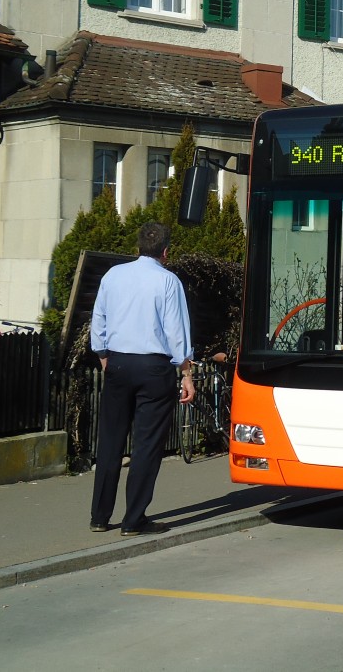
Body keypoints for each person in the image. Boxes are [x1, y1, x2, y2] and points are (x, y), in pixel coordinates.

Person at [89, 222, 194, 535]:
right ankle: (133, 520)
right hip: (153, 368)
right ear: (165, 251)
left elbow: (99, 319)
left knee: (110, 441)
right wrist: (186, 373)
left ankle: (99, 516)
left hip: (118, 363)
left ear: (138, 247)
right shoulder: (167, 281)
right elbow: (177, 331)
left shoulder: (113, 276)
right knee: (146, 445)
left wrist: (104, 356)